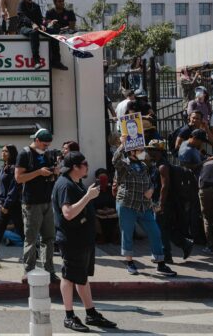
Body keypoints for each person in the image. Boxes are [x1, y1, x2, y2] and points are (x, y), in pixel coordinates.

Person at [51, 152, 118, 333]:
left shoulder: (75, 183)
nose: (88, 166)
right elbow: (68, 213)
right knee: (69, 276)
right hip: (72, 239)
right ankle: (69, 316)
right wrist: (88, 196)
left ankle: (91, 313)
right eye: (85, 163)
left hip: (83, 239)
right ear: (75, 167)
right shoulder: (65, 185)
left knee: (81, 277)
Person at [112, 138, 176, 277]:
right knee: (127, 234)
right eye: (140, 150)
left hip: (144, 206)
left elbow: (150, 182)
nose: (143, 152)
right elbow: (115, 160)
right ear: (132, 152)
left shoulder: (144, 165)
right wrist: (123, 145)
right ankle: (130, 263)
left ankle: (160, 263)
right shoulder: (123, 165)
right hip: (127, 205)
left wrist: (151, 189)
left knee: (155, 232)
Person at [15, 129, 60, 282]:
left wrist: (55, 172)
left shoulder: (48, 154)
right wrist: (38, 172)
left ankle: (49, 271)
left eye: (48, 145)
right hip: (31, 202)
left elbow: (51, 173)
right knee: (31, 238)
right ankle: (29, 271)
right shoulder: (24, 154)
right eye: (45, 144)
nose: (47, 147)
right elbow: (19, 178)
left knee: (49, 238)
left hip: (47, 200)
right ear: (37, 140)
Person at [147, 141, 194, 261]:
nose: (148, 152)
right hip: (159, 201)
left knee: (160, 229)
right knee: (165, 228)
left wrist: (161, 204)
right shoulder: (156, 165)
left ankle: (166, 255)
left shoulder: (163, 166)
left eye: (151, 149)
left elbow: (165, 186)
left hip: (164, 202)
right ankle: (184, 244)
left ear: (158, 151)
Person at [18, 0, 65, 70]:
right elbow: (22, 16)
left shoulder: (36, 6)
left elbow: (40, 19)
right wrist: (32, 23)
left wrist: (43, 25)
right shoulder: (21, 3)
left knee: (54, 33)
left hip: (37, 27)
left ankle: (56, 61)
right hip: (24, 27)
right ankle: (36, 61)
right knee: (34, 33)